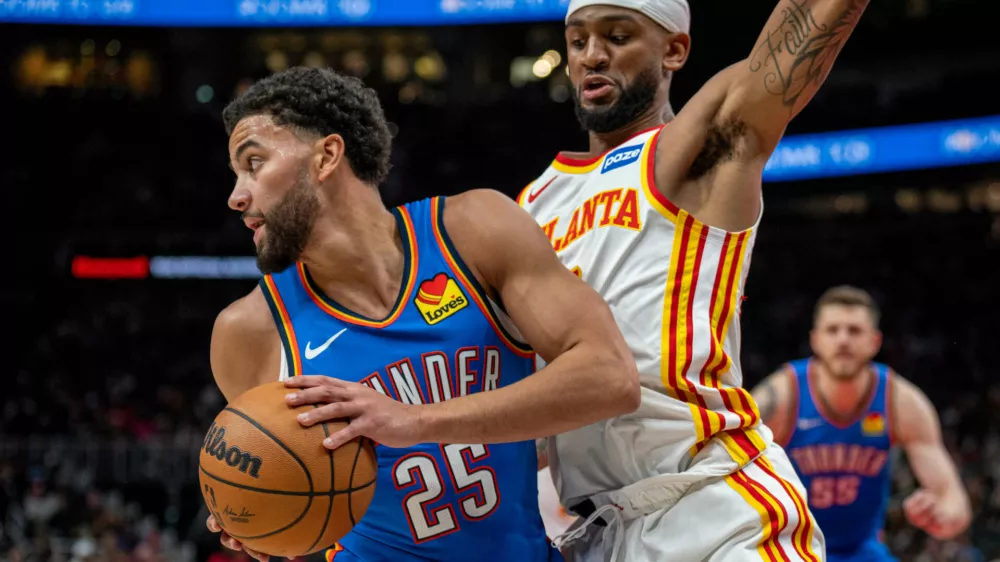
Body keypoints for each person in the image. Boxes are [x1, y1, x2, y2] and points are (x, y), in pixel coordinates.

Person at [205, 67, 640, 562]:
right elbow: (296, 492)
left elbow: (611, 377)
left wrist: (413, 421)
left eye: (254, 163)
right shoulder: (249, 332)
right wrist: (259, 518)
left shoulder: (473, 232)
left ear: (326, 156)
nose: (236, 197)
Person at [517, 0, 877, 559]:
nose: (593, 56)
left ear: (674, 50)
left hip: (714, 507)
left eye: (617, 36)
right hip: (600, 533)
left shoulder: (696, 151)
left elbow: (803, 31)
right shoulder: (531, 205)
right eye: (578, 40)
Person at [751, 286, 972, 561]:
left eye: (854, 331)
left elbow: (954, 501)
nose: (843, 340)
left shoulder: (901, 402)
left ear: (875, 341)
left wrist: (942, 517)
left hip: (862, 550)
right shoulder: (782, 397)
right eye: (833, 330)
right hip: (789, 546)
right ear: (815, 340)